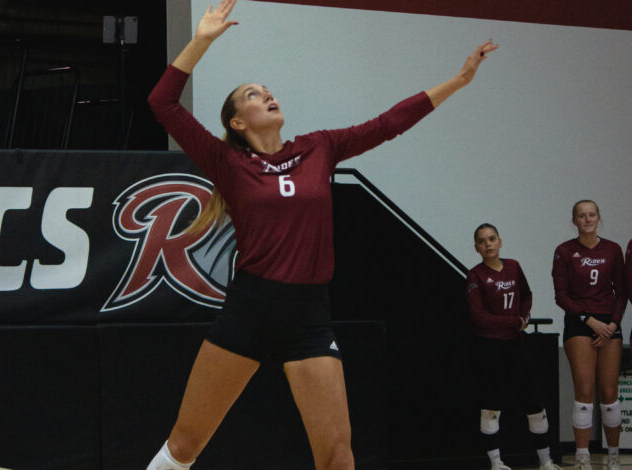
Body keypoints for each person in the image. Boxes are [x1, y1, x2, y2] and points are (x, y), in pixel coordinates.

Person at [145, 1, 497, 468]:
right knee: (185, 445)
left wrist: (458, 81)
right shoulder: (228, 163)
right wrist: (203, 40)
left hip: (309, 315)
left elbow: (387, 124)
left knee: (337, 456)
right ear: (237, 122)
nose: (267, 95)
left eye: (268, 90)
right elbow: (162, 103)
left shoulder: (318, 148)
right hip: (252, 308)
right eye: (253, 94)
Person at [467, 224, 561, 470]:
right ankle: (496, 463)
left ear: (500, 241)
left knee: (534, 402)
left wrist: (525, 317)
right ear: (476, 247)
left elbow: (526, 295)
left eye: (492, 239)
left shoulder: (513, 266)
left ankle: (546, 461)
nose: (488, 244)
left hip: (515, 345)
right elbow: (478, 317)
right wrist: (512, 321)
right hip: (489, 346)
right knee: (491, 405)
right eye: (482, 241)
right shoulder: (475, 275)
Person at [552, 200, 627, 470]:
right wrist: (588, 319)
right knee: (584, 390)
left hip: (609, 325)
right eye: (581, 216)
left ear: (598, 218)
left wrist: (613, 323)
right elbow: (561, 295)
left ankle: (614, 457)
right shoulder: (564, 251)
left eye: (591, 214)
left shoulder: (613, 249)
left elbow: (622, 291)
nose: (587, 219)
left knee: (609, 393)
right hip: (579, 323)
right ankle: (583, 457)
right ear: (574, 221)